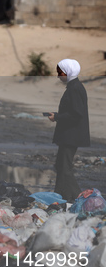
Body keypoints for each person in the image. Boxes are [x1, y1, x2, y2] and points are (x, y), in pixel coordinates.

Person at [46, 59, 90, 202]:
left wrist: (57, 117)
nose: (58, 76)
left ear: (68, 72)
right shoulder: (73, 87)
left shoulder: (75, 88)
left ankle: (79, 199)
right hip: (69, 134)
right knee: (60, 165)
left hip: (72, 135)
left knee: (65, 167)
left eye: (60, 72)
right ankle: (60, 197)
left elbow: (77, 114)